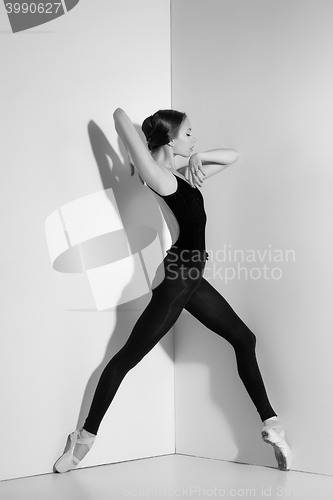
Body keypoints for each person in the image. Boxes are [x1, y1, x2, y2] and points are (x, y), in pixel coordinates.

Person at [54, 108, 292, 473]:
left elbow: (233, 156)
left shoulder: (184, 177)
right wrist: (137, 154)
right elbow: (119, 115)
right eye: (189, 133)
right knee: (126, 358)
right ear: (169, 139)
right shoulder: (159, 177)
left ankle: (271, 425)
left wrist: (199, 156)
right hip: (180, 273)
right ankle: (82, 440)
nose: (194, 138)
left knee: (244, 339)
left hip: (192, 275)